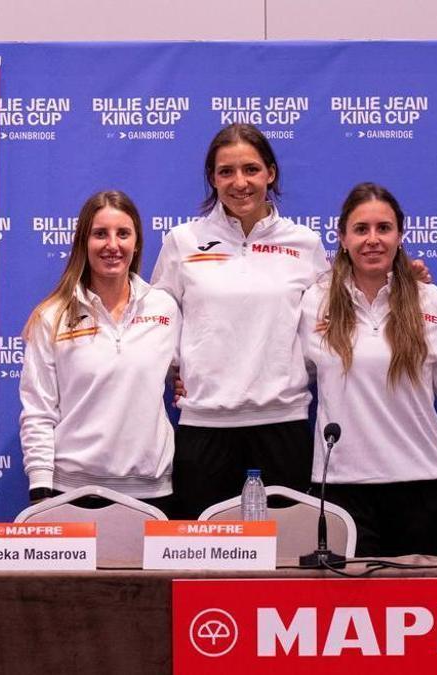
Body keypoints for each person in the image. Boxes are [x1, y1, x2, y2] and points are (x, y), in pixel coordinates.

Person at [151, 124, 328, 519]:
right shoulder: (182, 241)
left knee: (284, 562)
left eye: (250, 169)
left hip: (283, 425)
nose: (239, 182)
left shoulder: (305, 244)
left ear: (271, 173)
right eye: (226, 172)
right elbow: (154, 322)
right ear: (212, 178)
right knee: (204, 563)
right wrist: (173, 370)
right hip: (204, 426)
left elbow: (329, 328)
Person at [298, 183, 437, 557]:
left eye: (384, 228)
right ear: (341, 238)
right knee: (349, 612)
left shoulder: (431, 301)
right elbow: (288, 373)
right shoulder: (315, 302)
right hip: (342, 486)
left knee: (416, 609)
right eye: (361, 229)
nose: (373, 239)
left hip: (419, 484)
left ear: (400, 236)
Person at [19, 190, 180, 511]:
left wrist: (189, 383)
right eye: (99, 234)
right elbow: (38, 411)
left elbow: (192, 368)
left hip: (153, 492)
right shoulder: (52, 315)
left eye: (123, 233)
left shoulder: (164, 307)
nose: (112, 245)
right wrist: (40, 487)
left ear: (136, 243)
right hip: (71, 492)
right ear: (83, 242)